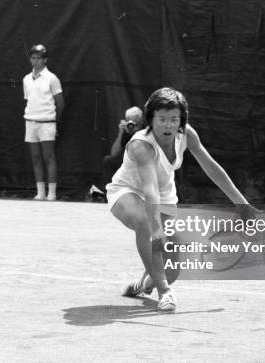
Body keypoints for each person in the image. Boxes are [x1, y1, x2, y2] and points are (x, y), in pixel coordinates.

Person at [106, 87, 254, 312]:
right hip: (128, 192)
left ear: (181, 120)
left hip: (165, 196)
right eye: (162, 119)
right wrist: (156, 227)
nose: (167, 125)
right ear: (151, 119)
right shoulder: (141, 145)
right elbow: (150, 188)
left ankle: (144, 284)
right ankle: (164, 291)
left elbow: (212, 169)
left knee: (173, 269)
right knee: (146, 223)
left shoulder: (187, 135)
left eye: (173, 119)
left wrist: (242, 204)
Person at [23, 44, 64, 201]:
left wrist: (54, 121)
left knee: (48, 156)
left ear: (45, 60)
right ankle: (40, 192)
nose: (35, 61)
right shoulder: (26, 79)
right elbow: (29, 101)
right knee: (35, 157)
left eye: (39, 58)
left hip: (47, 123)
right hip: (30, 122)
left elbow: (60, 103)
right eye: (33, 58)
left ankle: (52, 193)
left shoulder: (52, 78)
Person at [90, 106, 145, 201]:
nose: (132, 125)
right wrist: (120, 133)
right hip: (126, 159)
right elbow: (114, 153)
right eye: (129, 122)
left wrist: (137, 133)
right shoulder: (126, 131)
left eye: (135, 122)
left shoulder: (146, 131)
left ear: (141, 122)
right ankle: (109, 193)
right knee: (108, 160)